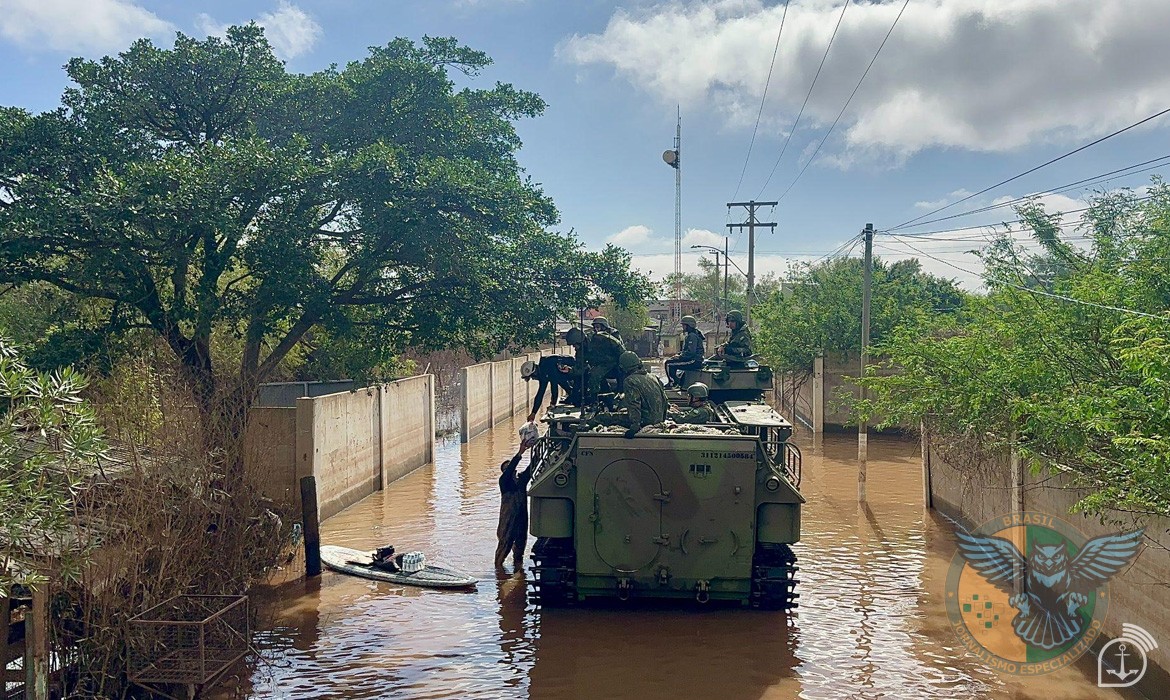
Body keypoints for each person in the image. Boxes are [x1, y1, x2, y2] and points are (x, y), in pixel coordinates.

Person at [592, 351, 668, 438]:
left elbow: (634, 405)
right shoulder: (653, 377)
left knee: (602, 417)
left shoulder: (630, 381)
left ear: (623, 367)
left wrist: (634, 427)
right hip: (659, 419)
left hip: (645, 421)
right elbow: (665, 401)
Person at [495, 443, 535, 569]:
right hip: (508, 521)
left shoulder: (521, 481)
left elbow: (530, 469)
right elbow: (510, 470)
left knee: (520, 549)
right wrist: (520, 453)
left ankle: (518, 572)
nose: (510, 470)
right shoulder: (504, 482)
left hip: (521, 519)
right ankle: (498, 573)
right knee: (503, 548)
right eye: (507, 469)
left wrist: (537, 452)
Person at [569, 324, 623, 404]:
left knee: (622, 377)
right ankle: (596, 402)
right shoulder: (581, 352)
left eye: (575, 344)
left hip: (615, 362)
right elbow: (580, 367)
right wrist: (570, 370)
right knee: (593, 375)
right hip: (602, 366)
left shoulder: (600, 337)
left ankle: (620, 397)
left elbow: (618, 346)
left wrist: (624, 360)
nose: (574, 347)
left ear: (580, 341)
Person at [664, 315, 705, 388]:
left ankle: (673, 382)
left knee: (669, 364)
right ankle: (677, 381)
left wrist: (680, 357)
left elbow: (691, 353)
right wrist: (679, 355)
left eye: (684, 325)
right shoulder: (692, 334)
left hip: (694, 361)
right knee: (670, 362)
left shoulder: (692, 336)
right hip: (693, 359)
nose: (683, 327)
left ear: (689, 325)